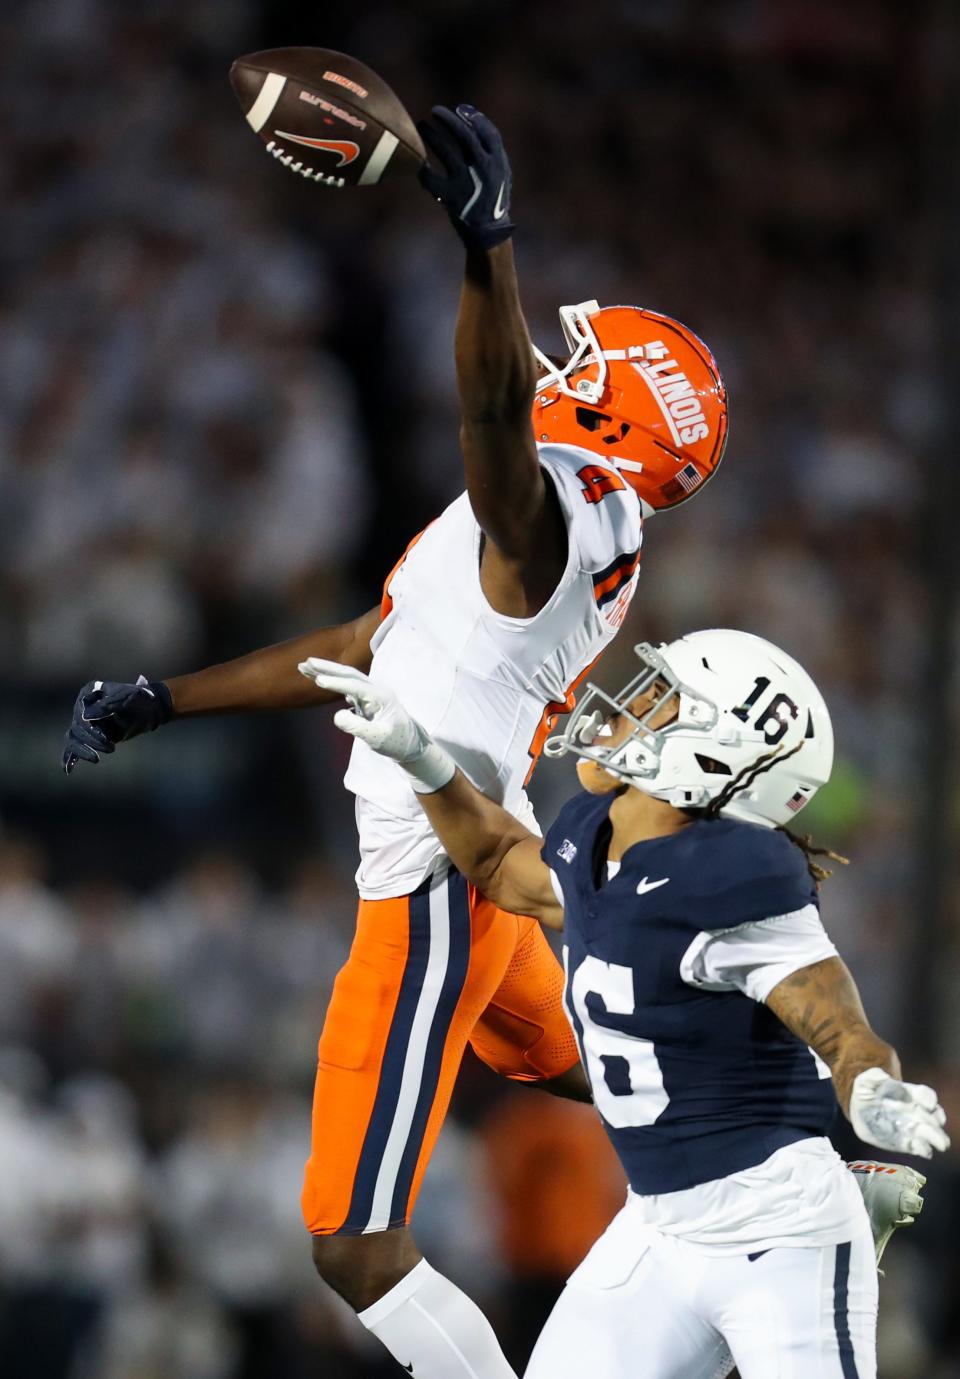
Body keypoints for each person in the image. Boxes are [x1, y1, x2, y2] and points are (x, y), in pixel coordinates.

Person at [61, 105, 727, 1379]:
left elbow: (487, 410)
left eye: (588, 372)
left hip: (434, 881)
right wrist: (166, 696)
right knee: (560, 1049)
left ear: (621, 425)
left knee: (350, 1240)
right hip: (458, 861)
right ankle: (767, 1107)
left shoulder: (552, 516)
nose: (560, 372)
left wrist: (488, 251)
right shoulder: (541, 517)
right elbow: (371, 638)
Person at [303, 627, 949, 1379]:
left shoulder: (735, 879)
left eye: (664, 699)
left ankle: (848, 1195)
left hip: (780, 1228)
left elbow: (837, 1023)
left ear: (712, 758)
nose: (631, 704)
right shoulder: (595, 833)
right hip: (657, 1223)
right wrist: (422, 757)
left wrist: (869, 1080)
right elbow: (501, 865)